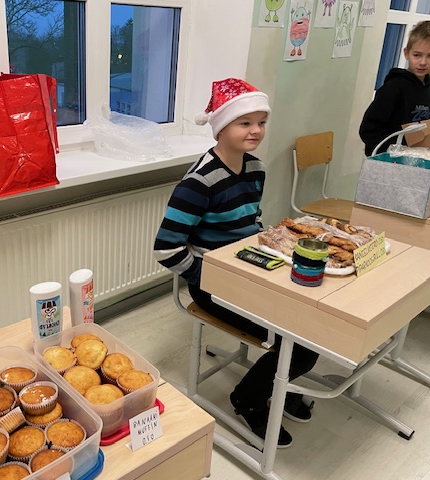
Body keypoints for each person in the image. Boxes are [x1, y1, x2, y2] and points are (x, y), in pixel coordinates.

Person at [154, 78, 319, 448]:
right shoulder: (199, 182)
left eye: (261, 122)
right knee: (301, 343)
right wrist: (210, 276)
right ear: (221, 126)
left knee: (312, 317)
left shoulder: (256, 167)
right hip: (212, 285)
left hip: (249, 269)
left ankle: (279, 381)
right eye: (245, 123)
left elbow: (250, 222)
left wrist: (273, 247)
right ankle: (249, 397)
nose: (256, 130)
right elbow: (166, 249)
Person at [359, 20, 430, 156]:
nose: (423, 62)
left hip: (419, 160)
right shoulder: (393, 88)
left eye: (429, 56)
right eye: (417, 55)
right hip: (390, 162)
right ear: (406, 53)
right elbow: (368, 130)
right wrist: (397, 150)